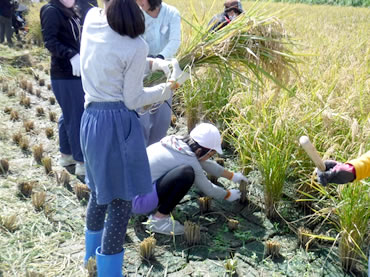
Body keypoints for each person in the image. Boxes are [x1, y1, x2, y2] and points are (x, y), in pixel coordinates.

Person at [79, 0, 188, 275]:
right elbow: (134, 99)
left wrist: (154, 64)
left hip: (90, 120)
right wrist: (169, 87)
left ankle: (90, 261)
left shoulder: (91, 19)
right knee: (121, 201)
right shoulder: (136, 46)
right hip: (117, 125)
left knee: (99, 193)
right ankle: (109, 272)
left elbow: (115, 61)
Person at [132, 123, 247, 235]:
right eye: (210, 154)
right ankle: (159, 221)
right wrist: (228, 195)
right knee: (186, 174)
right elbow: (208, 189)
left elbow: (205, 163)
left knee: (186, 169)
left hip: (127, 196)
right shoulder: (188, 159)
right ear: (199, 151)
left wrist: (233, 176)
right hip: (139, 202)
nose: (209, 158)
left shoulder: (175, 143)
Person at [40, 0, 85, 176]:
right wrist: (71, 55)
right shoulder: (51, 10)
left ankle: (66, 155)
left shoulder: (72, 9)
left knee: (68, 114)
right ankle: (81, 163)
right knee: (76, 116)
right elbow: (50, 41)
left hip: (77, 72)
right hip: (64, 73)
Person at [135, 0, 181, 146]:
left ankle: (155, 150)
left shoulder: (171, 13)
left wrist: (160, 59)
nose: (138, 2)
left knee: (162, 117)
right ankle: (141, 151)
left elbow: (175, 41)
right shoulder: (136, 15)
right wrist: (150, 62)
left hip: (165, 72)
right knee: (141, 116)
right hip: (142, 70)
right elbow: (135, 41)